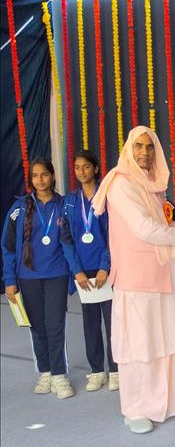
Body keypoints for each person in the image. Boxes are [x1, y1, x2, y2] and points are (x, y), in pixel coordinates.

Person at [92, 125, 175, 434]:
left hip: (160, 275)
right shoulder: (121, 183)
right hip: (136, 279)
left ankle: (164, 403)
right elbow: (143, 228)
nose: (144, 153)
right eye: (139, 146)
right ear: (128, 150)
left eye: (149, 147)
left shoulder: (150, 184)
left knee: (163, 340)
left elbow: (162, 224)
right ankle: (135, 409)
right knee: (138, 345)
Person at [3, 158, 74, 399]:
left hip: (57, 274)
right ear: (31, 179)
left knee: (55, 325)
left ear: (53, 176)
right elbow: (8, 246)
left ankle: (59, 375)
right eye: (35, 175)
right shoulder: (19, 208)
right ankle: (45, 372)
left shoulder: (64, 205)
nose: (40, 179)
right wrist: (9, 280)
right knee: (37, 325)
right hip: (28, 276)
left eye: (44, 174)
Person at [61, 150, 117, 392]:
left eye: (86, 167)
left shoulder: (107, 196)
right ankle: (96, 371)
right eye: (77, 168)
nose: (81, 171)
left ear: (95, 168)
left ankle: (116, 370)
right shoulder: (70, 202)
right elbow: (66, 239)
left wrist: (105, 266)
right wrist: (77, 271)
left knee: (113, 321)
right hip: (83, 272)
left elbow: (114, 235)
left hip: (107, 270)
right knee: (90, 323)